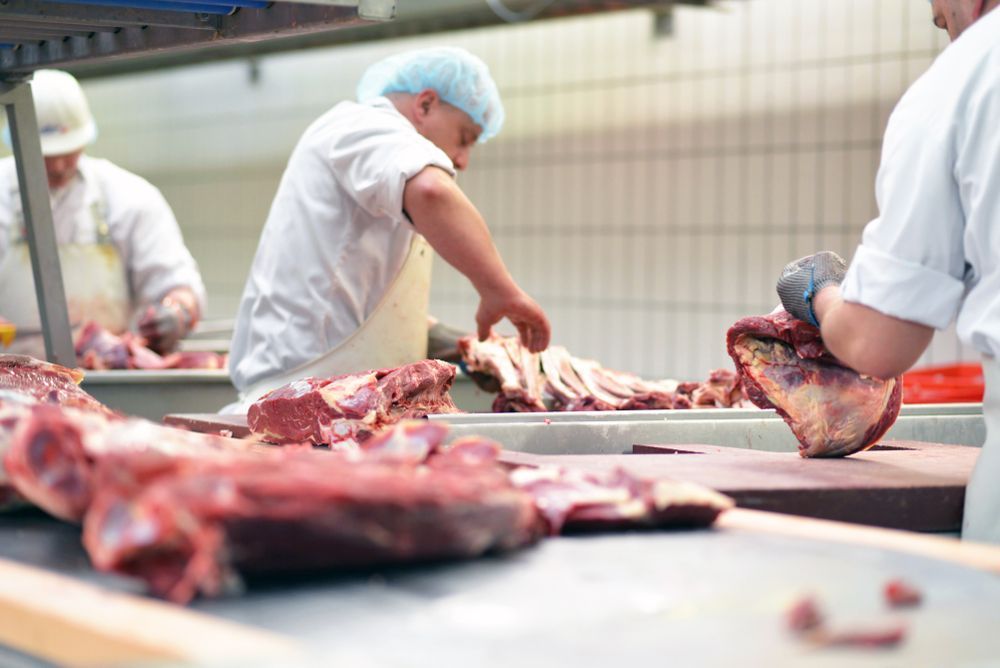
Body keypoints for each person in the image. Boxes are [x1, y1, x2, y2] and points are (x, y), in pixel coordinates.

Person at [775, 0, 1000, 542]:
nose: (951, 36)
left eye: (943, 22)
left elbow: (877, 344)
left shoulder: (966, 75)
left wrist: (820, 291)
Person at [228, 47, 551, 408]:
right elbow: (432, 191)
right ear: (426, 105)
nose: (462, 160)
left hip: (336, 399)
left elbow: (362, 297)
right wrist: (501, 292)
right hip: (299, 400)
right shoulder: (363, 125)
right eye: (464, 137)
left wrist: (469, 347)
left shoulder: (379, 161)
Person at [0, 69, 205, 357]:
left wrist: (177, 313)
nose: (58, 166)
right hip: (12, 384)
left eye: (68, 151)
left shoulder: (130, 196)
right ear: (18, 141)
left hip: (108, 374)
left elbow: (179, 287)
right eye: (45, 154)